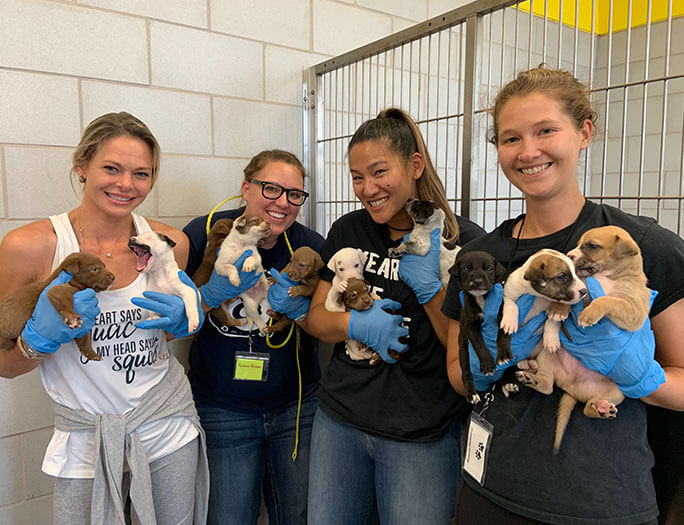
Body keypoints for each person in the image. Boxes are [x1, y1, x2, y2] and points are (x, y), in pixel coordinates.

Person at [442, 66, 684, 524]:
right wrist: (487, 362)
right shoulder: (481, 258)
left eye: (546, 130)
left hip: (601, 501)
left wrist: (639, 377)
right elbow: (457, 373)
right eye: (510, 138)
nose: (528, 151)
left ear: (584, 132)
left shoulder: (642, 247)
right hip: (491, 488)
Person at [0, 112, 209, 524]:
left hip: (166, 421)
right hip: (85, 434)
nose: (126, 184)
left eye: (141, 174)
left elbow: (172, 333)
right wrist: (38, 340)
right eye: (111, 168)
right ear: (81, 166)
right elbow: (3, 365)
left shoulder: (169, 244)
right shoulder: (31, 247)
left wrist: (186, 321)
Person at [305, 107, 486, 524]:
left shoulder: (463, 242)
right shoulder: (349, 230)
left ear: (414, 165)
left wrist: (430, 291)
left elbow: (465, 350)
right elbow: (316, 318)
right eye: (356, 176)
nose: (368, 188)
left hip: (420, 435)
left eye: (379, 172)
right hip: (339, 421)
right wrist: (352, 324)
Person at [183, 149, 325, 524]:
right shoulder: (206, 231)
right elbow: (169, 317)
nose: (283, 203)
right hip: (222, 409)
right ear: (246, 188)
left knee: (297, 515)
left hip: (296, 410)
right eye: (271, 189)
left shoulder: (309, 247)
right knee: (228, 516)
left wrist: (299, 309)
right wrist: (208, 296)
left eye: (294, 194)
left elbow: (326, 320)